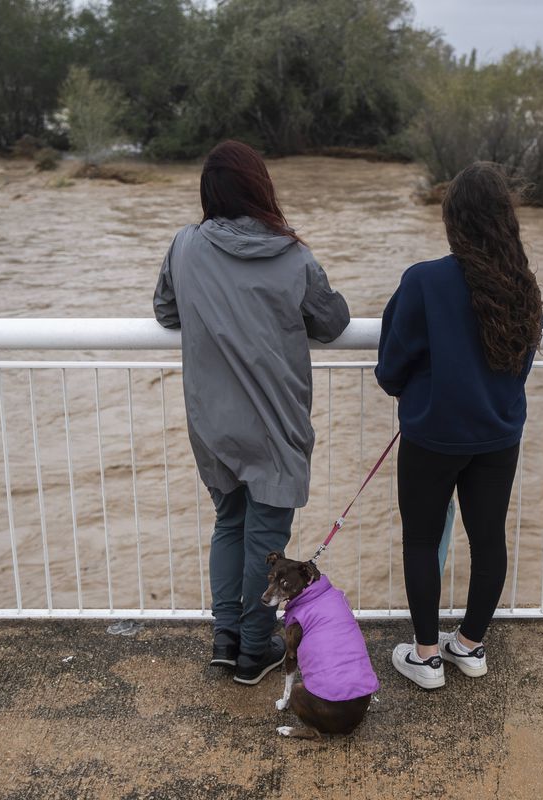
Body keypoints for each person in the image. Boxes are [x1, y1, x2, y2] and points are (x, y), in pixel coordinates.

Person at [153, 140, 350, 685]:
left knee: (229, 523)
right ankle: (253, 650)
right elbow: (332, 322)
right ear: (261, 188)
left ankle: (226, 639)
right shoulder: (293, 255)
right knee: (266, 537)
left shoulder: (184, 247)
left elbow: (165, 310)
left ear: (209, 193)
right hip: (275, 424)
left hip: (212, 422)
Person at [376, 162, 543, 690]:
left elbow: (390, 369)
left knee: (422, 540)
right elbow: (521, 364)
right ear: (504, 220)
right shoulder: (521, 285)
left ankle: (426, 657)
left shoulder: (424, 281)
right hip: (498, 434)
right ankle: (470, 647)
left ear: (453, 220)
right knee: (488, 538)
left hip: (433, 434)